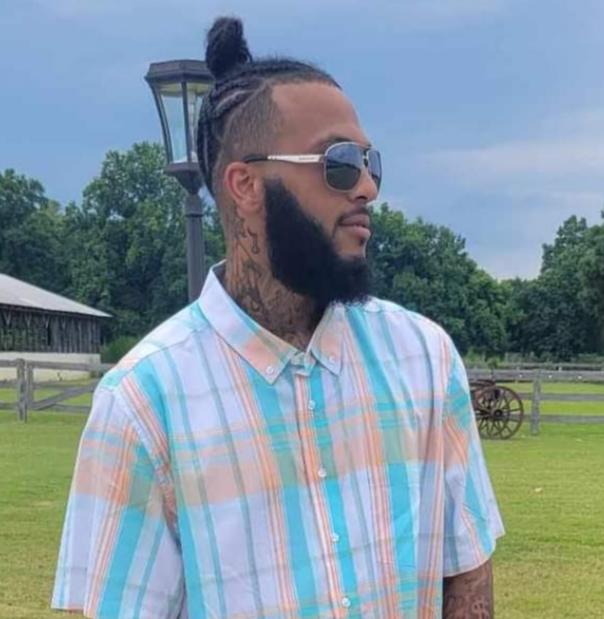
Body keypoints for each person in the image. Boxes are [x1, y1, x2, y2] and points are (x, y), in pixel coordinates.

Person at [52, 16, 504, 619]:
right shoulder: (142, 405)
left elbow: (465, 569)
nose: (367, 187)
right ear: (245, 185)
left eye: (371, 162)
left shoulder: (423, 358)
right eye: (339, 162)